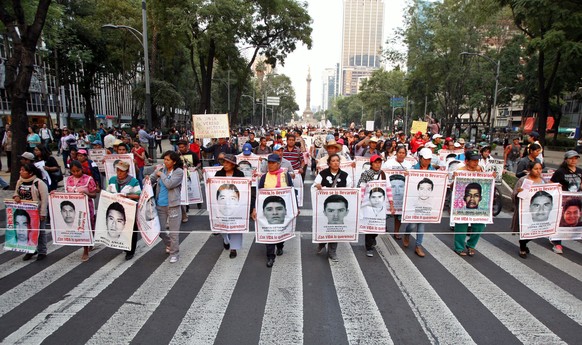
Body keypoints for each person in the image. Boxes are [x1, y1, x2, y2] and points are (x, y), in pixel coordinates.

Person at [252, 153, 294, 268]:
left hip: (281, 210)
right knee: (269, 232)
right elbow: (259, 194)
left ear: (278, 164)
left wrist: (295, 208)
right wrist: (255, 208)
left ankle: (280, 245)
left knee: (280, 230)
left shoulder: (285, 176)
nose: (270, 165)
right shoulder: (264, 177)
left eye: (273, 163)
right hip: (268, 210)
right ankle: (270, 256)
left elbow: (292, 191)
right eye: (269, 163)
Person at [312, 153, 352, 261]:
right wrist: (317, 186)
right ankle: (322, 242)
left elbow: (350, 190)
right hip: (325, 207)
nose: (335, 163)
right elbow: (314, 186)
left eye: (337, 161)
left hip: (338, 208)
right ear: (329, 163)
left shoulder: (345, 175)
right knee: (325, 227)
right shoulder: (322, 174)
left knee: (335, 229)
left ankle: (332, 252)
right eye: (333, 161)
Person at [147, 151, 184, 263]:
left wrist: (161, 175)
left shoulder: (179, 172)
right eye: (165, 159)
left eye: (168, 160)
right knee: (160, 230)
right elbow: (152, 178)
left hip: (173, 205)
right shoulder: (162, 169)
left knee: (174, 232)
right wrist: (147, 179)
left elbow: (170, 184)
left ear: (174, 161)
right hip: (160, 204)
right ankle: (169, 244)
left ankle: (174, 253)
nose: (165, 162)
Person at [357, 154, 395, 257]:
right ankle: (369, 247)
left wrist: (391, 204)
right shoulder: (366, 174)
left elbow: (388, 189)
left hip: (380, 204)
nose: (378, 165)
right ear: (371, 163)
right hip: (368, 203)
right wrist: (359, 202)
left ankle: (373, 238)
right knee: (369, 225)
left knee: (378, 224)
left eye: (379, 162)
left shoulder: (384, 175)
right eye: (375, 162)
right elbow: (361, 188)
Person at [453, 150, 487, 256]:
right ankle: (459, 247)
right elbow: (453, 186)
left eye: (477, 160)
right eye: (473, 160)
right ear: (466, 161)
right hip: (463, 203)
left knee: (480, 225)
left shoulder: (480, 169)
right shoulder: (460, 170)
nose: (476, 162)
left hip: (477, 205)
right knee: (461, 224)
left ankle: (471, 245)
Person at [12, 163, 49, 261]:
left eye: (23, 170)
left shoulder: (39, 183)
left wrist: (43, 213)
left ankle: (42, 251)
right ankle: (30, 250)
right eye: (21, 170)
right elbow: (16, 192)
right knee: (28, 231)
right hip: (24, 212)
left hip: (37, 212)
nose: (20, 172)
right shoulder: (20, 182)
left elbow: (45, 200)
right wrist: (16, 196)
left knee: (40, 232)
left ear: (30, 173)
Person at [106, 160, 142, 260]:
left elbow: (139, 195)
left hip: (129, 209)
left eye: (122, 171)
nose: (119, 173)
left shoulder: (133, 181)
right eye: (118, 170)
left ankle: (131, 250)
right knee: (120, 228)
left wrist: (126, 195)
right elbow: (107, 192)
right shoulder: (112, 180)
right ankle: (124, 245)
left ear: (127, 171)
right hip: (116, 210)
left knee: (131, 229)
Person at [511, 161, 546, 258]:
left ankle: (524, 242)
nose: (538, 171)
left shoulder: (542, 180)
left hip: (538, 211)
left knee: (537, 231)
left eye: (540, 169)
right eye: (536, 169)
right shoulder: (523, 180)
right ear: (530, 170)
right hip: (525, 211)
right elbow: (514, 195)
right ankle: (522, 247)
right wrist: (519, 193)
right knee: (526, 229)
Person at [214, 154, 246, 259]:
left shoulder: (240, 174)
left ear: (233, 165)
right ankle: (226, 240)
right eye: (224, 162)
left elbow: (243, 189)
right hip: (223, 205)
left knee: (235, 226)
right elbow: (214, 188)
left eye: (228, 163)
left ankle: (233, 249)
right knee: (223, 224)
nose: (225, 164)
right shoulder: (219, 174)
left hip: (235, 204)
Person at [65, 160, 98, 261]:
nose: (76, 173)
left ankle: (86, 249)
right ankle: (88, 243)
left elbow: (94, 194)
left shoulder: (88, 179)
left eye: (78, 171)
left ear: (82, 169)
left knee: (87, 226)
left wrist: (87, 194)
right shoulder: (69, 180)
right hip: (73, 209)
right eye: (73, 171)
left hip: (86, 207)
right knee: (79, 228)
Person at [550, 150, 582, 254]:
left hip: (577, 201)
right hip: (563, 201)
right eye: (571, 158)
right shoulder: (560, 172)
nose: (574, 160)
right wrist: (557, 187)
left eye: (575, 158)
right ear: (566, 160)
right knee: (560, 222)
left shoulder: (580, 171)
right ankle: (557, 242)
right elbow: (550, 184)